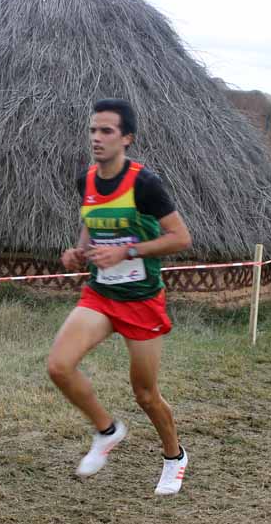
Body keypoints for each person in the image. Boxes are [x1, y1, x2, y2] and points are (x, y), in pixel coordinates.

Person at [47, 98, 193, 495]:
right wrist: (79, 251)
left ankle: (174, 456)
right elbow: (91, 222)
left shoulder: (145, 184)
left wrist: (126, 252)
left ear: (126, 138)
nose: (96, 137)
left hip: (141, 298)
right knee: (59, 366)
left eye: (106, 131)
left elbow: (180, 238)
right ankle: (107, 431)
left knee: (145, 393)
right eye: (93, 130)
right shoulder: (87, 179)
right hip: (101, 293)